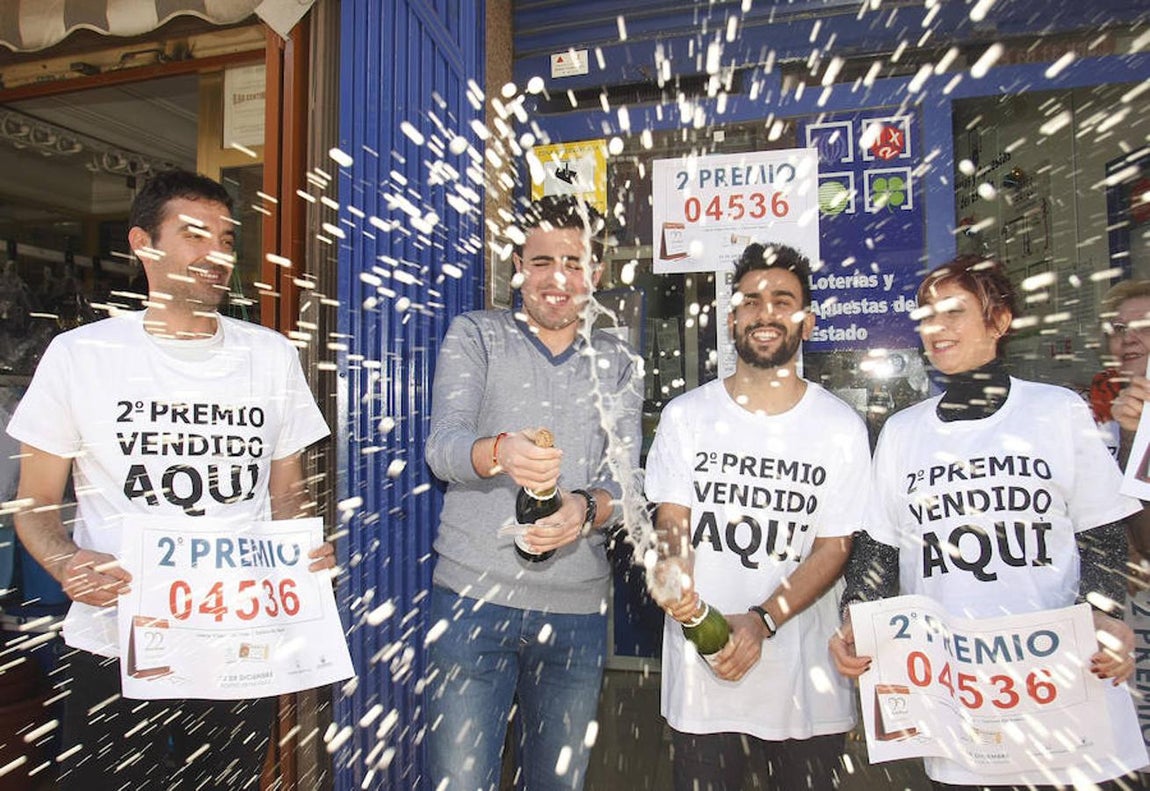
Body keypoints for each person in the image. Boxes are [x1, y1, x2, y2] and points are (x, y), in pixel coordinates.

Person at [8, 169, 334, 790]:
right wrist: (64, 561)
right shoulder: (81, 356)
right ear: (142, 244)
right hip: (117, 638)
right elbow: (35, 500)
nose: (217, 253)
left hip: (238, 638)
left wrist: (299, 548)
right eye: (193, 235)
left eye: (225, 236)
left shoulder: (269, 355)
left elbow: (287, 488)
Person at [830, 255, 1146, 790]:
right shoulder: (904, 433)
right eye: (926, 315)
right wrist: (855, 618)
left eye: (954, 311)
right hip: (958, 695)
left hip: (1061, 682)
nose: (936, 327)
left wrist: (1107, 614)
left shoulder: (1056, 411)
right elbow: (879, 549)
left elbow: (1102, 533)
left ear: (999, 322)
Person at [423, 195, 642, 791]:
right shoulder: (477, 335)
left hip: (575, 614)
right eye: (541, 261)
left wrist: (585, 509)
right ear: (517, 266)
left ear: (595, 274)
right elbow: (441, 449)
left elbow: (630, 485)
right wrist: (499, 452)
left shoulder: (619, 360)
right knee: (458, 783)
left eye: (574, 263)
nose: (557, 280)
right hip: (471, 603)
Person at [645, 242, 868, 791]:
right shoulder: (686, 417)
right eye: (750, 301)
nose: (765, 312)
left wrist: (762, 620)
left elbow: (835, 547)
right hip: (705, 677)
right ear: (731, 318)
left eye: (782, 300)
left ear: (807, 322)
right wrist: (676, 583)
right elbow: (674, 523)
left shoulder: (840, 427)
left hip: (805, 686)